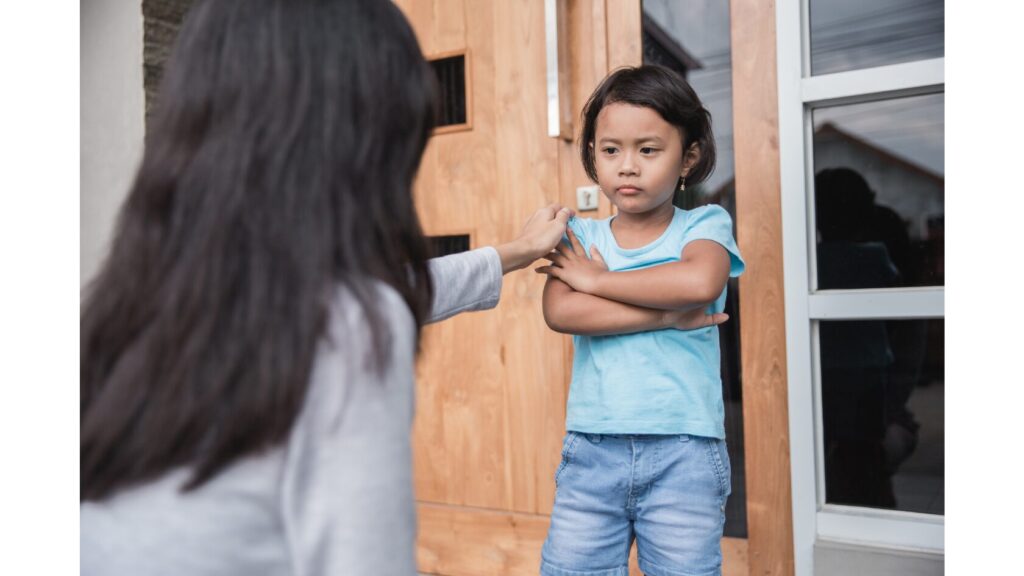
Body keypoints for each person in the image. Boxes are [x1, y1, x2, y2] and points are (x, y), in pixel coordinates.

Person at [79, 2, 725, 575]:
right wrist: (663, 314)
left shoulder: (122, 306)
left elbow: (398, 287)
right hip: (597, 451)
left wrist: (518, 255)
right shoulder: (353, 323)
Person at [535, 65, 745, 576]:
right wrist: (670, 317)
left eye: (648, 150)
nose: (627, 166)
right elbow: (562, 311)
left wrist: (598, 282)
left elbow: (698, 284)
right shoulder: (582, 237)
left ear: (687, 157)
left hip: (685, 451)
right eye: (611, 150)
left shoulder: (704, 224)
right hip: (591, 449)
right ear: (593, 156)